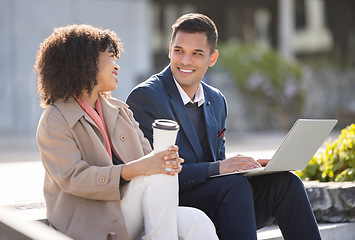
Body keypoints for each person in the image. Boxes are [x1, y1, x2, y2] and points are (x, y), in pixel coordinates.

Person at [126, 13, 322, 240]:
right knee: (234, 186)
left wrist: (248, 168)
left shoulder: (216, 100)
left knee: (286, 183)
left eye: (197, 54)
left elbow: (218, 162)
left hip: (216, 196)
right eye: (179, 51)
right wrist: (218, 169)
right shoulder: (146, 97)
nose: (185, 61)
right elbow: (152, 172)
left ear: (212, 58)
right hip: (170, 198)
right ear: (170, 50)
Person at [34, 24, 218, 240]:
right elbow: (74, 179)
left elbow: (148, 160)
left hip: (129, 211)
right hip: (89, 221)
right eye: (111, 57)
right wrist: (133, 170)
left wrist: (167, 160)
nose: (117, 66)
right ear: (85, 64)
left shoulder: (120, 111)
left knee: (198, 221)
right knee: (158, 173)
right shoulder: (55, 119)